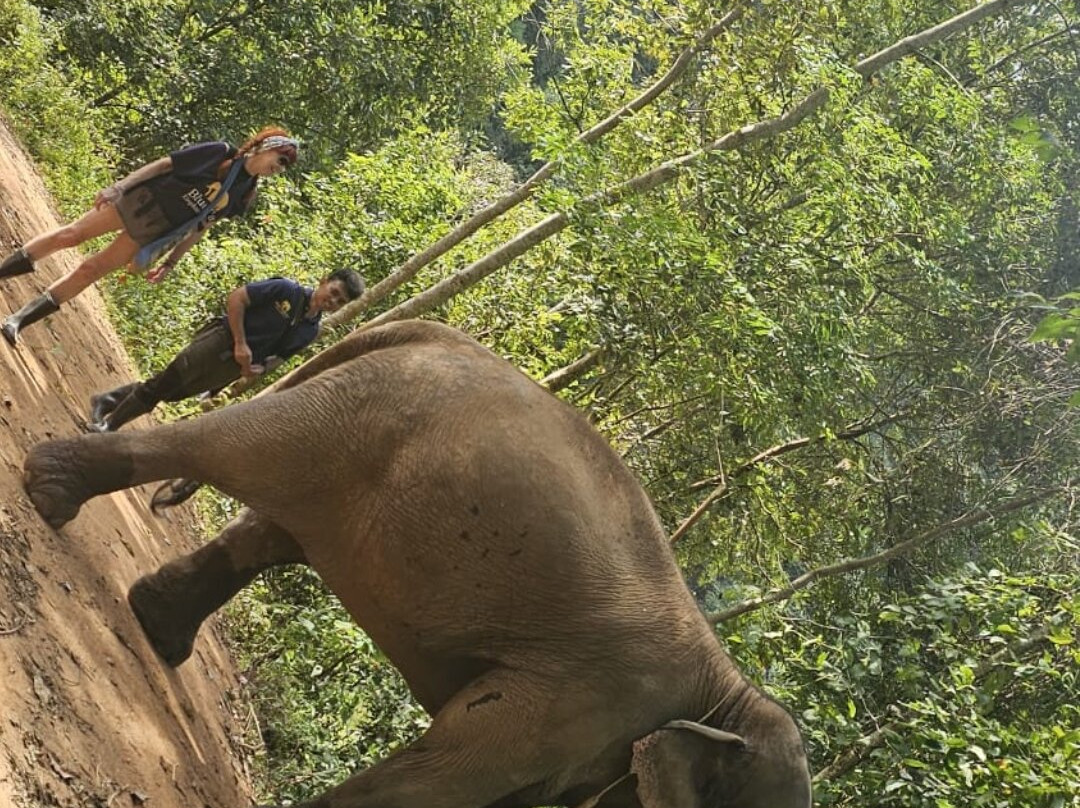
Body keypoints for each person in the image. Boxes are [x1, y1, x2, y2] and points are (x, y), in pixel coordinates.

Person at [0, 126, 300, 345]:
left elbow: (201, 228)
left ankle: (19, 319)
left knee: (90, 270)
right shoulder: (220, 152)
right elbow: (166, 164)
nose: (279, 168)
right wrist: (119, 187)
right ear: (265, 146)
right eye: (281, 159)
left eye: (285, 167)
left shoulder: (246, 194)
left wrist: (170, 262)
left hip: (156, 230)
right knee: (70, 235)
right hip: (141, 201)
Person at [86, 268, 364, 432]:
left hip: (232, 367)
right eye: (334, 291)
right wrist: (240, 342)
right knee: (166, 381)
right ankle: (109, 427)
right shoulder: (286, 290)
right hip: (220, 339)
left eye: (340, 301)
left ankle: (106, 400)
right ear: (324, 281)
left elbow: (280, 357)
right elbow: (237, 299)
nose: (332, 300)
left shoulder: (310, 330)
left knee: (172, 393)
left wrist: (256, 369)